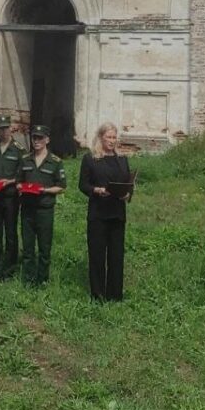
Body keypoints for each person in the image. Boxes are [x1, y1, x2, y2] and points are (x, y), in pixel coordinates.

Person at [78, 122, 132, 301]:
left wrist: (128, 194)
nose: (112, 141)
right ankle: (98, 294)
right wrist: (96, 190)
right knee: (97, 255)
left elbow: (128, 184)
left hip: (117, 214)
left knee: (116, 256)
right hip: (98, 214)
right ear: (101, 138)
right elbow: (83, 185)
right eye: (108, 137)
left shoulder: (122, 160)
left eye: (114, 137)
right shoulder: (90, 159)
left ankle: (115, 295)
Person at [19, 125, 66, 285]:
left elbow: (61, 186)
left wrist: (44, 190)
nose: (36, 141)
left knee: (44, 247)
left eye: (40, 138)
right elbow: (19, 181)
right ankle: (28, 279)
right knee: (28, 246)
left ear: (47, 140)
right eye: (34, 137)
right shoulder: (25, 159)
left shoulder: (55, 162)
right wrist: (21, 187)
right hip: (27, 209)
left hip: (45, 209)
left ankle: (42, 280)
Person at [0, 115, 25, 280]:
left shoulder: (18, 150)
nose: (3, 131)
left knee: (10, 232)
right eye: (0, 128)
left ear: (11, 128)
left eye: (6, 128)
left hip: (10, 197)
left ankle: (10, 268)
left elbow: (23, 175)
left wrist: (10, 181)